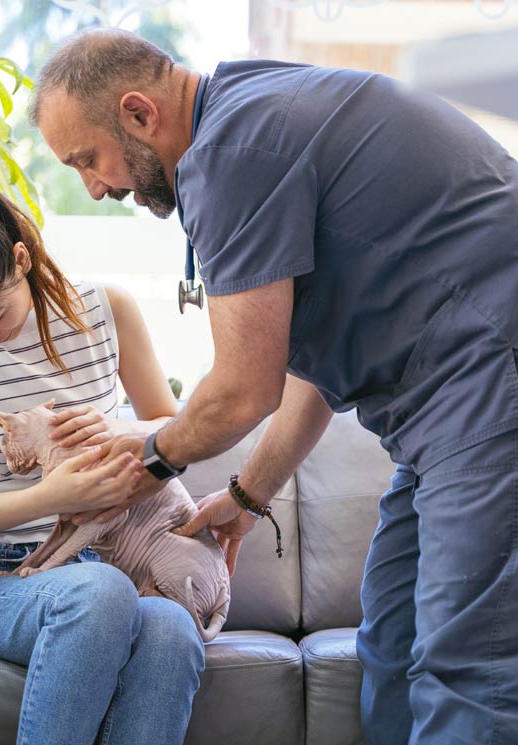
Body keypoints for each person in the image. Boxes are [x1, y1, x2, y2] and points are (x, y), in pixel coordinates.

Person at [30, 28, 518, 745]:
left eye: (88, 160)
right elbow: (302, 368)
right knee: (388, 640)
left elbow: (239, 388)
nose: (96, 187)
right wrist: (247, 493)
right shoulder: (248, 119)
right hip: (441, 414)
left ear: (138, 113)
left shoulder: (231, 153)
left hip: (490, 381)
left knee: (464, 665)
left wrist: (151, 459)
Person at [0, 164, 204, 745]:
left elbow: (175, 429)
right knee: (101, 593)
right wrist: (49, 497)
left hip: (110, 560)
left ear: (20, 260)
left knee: (170, 626)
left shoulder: (107, 309)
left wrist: (118, 427)